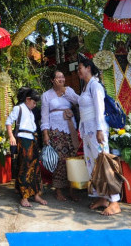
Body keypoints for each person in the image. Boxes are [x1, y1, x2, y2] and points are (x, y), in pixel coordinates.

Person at [64, 57, 122, 216]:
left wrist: (99, 130)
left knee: (104, 163)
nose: (78, 71)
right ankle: (102, 197)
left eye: (80, 68)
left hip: (97, 129)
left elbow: (99, 109)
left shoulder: (95, 86)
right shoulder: (85, 87)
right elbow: (81, 105)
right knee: (92, 164)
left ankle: (114, 201)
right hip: (87, 130)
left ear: (88, 68)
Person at [41, 70, 80, 201]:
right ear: (52, 80)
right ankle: (58, 190)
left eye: (63, 76)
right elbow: (44, 116)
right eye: (58, 77)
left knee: (72, 158)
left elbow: (78, 101)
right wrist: (45, 134)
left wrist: (64, 90)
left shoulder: (68, 91)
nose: (61, 79)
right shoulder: (46, 95)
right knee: (60, 160)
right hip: (55, 131)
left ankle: (72, 189)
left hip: (70, 129)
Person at [6, 87, 47, 208]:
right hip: (23, 139)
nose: (35, 105)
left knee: (35, 167)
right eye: (34, 102)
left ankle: (36, 194)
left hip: (32, 139)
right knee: (25, 166)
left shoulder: (30, 111)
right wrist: (11, 137)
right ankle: (24, 196)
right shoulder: (18, 108)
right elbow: (9, 122)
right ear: (28, 99)